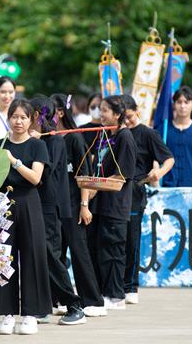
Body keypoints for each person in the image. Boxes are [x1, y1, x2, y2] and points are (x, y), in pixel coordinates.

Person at [0, 99, 51, 335]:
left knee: (32, 256)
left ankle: (31, 314)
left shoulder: (37, 146)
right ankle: (7, 313)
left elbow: (36, 178)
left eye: (23, 117)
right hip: (3, 205)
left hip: (29, 203)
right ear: (9, 118)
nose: (18, 121)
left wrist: (14, 162)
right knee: (4, 258)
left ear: (31, 120)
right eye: (14, 116)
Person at [29, 95, 86, 326]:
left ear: (36, 116)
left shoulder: (54, 141)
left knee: (51, 256)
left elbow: (44, 174)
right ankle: (43, 306)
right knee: (38, 257)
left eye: (25, 115)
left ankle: (74, 305)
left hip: (50, 206)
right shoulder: (40, 139)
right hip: (36, 204)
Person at [51, 93, 106, 317]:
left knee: (79, 250)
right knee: (55, 253)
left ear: (61, 113)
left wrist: (84, 205)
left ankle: (92, 300)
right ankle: (60, 298)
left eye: (46, 113)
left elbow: (84, 175)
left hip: (74, 204)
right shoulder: (47, 139)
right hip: (53, 206)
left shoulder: (74, 139)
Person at [120, 95, 174, 304]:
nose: (127, 121)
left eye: (130, 117)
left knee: (132, 239)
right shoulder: (115, 132)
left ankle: (131, 286)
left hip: (136, 189)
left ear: (137, 112)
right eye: (123, 117)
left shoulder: (148, 134)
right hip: (115, 189)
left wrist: (158, 173)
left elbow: (168, 159)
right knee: (115, 238)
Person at [88, 96, 136, 310]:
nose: (101, 114)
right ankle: (104, 290)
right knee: (101, 249)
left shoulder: (125, 137)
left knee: (114, 250)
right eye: (100, 110)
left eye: (105, 111)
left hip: (115, 204)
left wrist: (96, 185)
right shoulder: (106, 134)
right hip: (101, 202)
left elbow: (123, 174)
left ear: (117, 114)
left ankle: (116, 295)